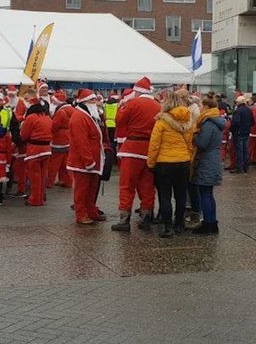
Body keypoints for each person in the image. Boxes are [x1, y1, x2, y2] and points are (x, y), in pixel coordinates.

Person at [112, 77, 161, 232]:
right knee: (147, 186)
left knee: (127, 185)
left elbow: (119, 122)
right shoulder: (158, 106)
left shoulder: (131, 103)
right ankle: (147, 216)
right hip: (150, 150)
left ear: (137, 91)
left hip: (132, 148)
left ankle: (124, 219)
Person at [147, 90, 194, 238]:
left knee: (165, 195)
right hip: (183, 161)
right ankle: (179, 224)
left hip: (164, 163)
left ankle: (168, 227)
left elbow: (154, 144)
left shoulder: (161, 121)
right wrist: (188, 159)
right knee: (180, 195)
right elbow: (189, 144)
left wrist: (151, 163)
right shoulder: (188, 120)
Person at [67, 89, 105, 225]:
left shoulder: (89, 115)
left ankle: (91, 211)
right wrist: (88, 161)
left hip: (92, 161)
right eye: (92, 100)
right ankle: (81, 214)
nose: (95, 102)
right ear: (85, 102)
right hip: (83, 162)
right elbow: (81, 142)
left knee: (91, 189)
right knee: (82, 190)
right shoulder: (79, 117)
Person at [191, 93, 226, 235]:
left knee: (204, 193)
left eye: (200, 105)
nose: (199, 108)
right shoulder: (216, 120)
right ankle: (212, 223)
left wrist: (194, 136)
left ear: (206, 106)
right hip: (213, 159)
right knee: (209, 194)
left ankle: (208, 224)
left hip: (207, 161)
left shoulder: (207, 122)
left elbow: (203, 143)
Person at [19, 100, 53, 207]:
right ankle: (41, 196)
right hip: (47, 149)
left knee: (34, 176)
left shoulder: (31, 118)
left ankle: (35, 199)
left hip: (34, 149)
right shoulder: (47, 117)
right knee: (43, 175)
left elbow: (24, 135)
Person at [49, 91, 75, 189]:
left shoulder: (60, 112)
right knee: (66, 162)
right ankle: (67, 181)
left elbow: (54, 126)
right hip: (69, 138)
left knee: (54, 162)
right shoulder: (72, 110)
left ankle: (49, 182)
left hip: (59, 139)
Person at [229, 94, 254, 174]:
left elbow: (235, 122)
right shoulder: (249, 110)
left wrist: (232, 130)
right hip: (246, 132)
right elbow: (253, 122)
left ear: (238, 102)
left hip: (238, 133)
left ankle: (239, 168)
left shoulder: (238, 111)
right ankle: (246, 167)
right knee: (245, 150)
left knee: (239, 151)